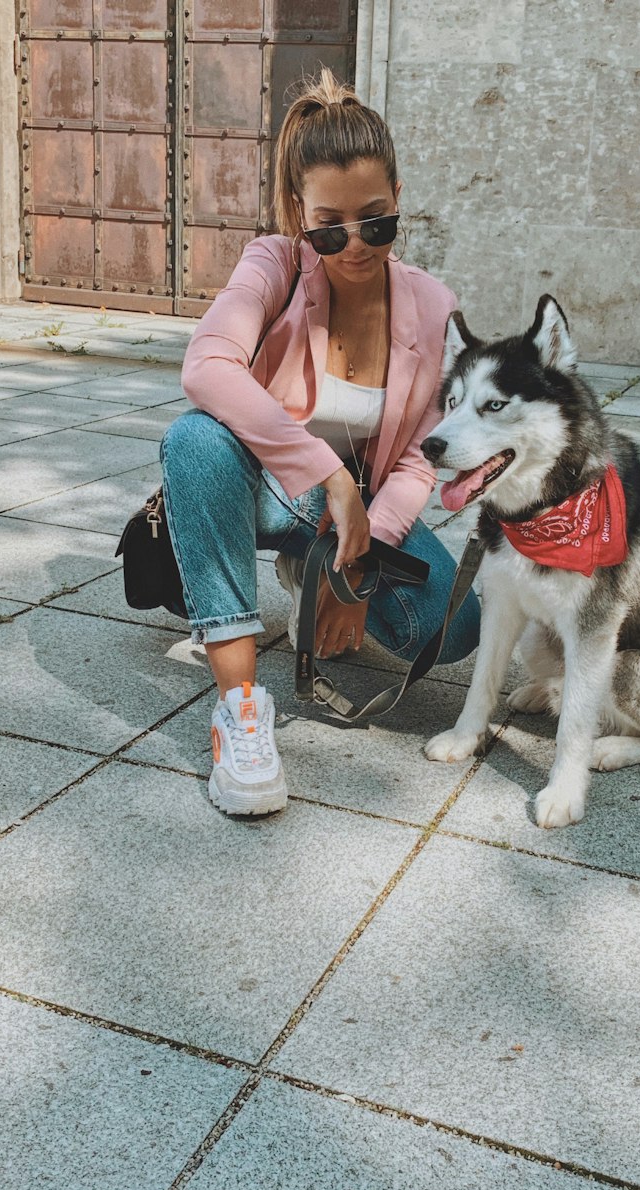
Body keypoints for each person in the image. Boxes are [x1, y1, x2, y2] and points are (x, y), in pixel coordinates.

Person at [160, 68, 479, 818]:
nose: (355, 244)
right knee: (197, 439)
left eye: (377, 220)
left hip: (352, 513)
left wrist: (354, 566)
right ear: (299, 213)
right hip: (268, 487)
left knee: (457, 626)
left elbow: (415, 457)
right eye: (330, 226)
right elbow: (206, 367)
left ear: (398, 196)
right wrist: (328, 476)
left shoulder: (434, 306)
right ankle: (239, 711)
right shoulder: (273, 263)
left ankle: (314, 568)